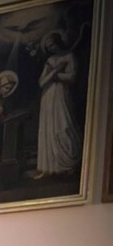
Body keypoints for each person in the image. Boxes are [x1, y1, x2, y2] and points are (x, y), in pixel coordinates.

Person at [34, 31, 82, 178]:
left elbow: (72, 77)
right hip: (48, 97)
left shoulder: (69, 56)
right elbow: (42, 82)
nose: (51, 48)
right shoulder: (50, 60)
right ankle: (49, 167)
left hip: (61, 94)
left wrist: (56, 75)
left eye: (52, 45)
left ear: (58, 42)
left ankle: (69, 163)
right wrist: (55, 70)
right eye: (48, 47)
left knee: (63, 126)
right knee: (48, 129)